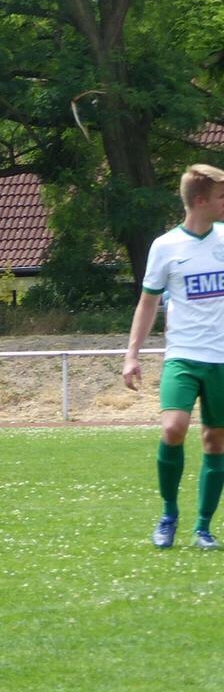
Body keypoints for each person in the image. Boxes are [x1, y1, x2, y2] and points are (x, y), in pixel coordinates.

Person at [123, 163, 224, 550]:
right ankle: (169, 515)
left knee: (215, 441)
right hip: (182, 355)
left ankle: (203, 528)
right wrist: (132, 355)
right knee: (173, 428)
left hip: (221, 359)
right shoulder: (165, 247)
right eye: (221, 197)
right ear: (200, 201)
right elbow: (147, 303)